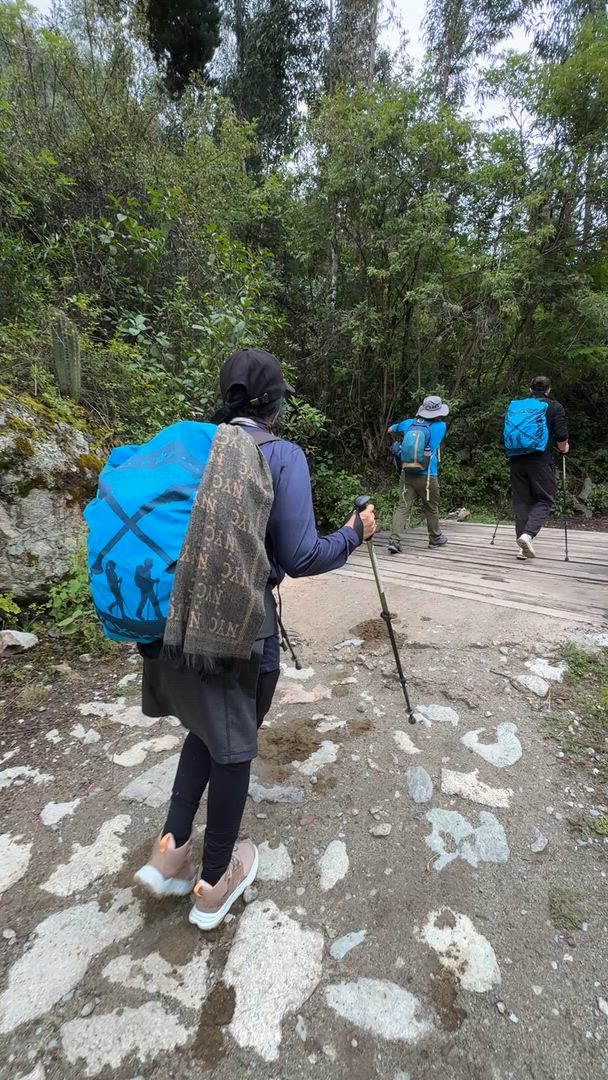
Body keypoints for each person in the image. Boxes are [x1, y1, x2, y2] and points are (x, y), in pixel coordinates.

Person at [134, 347, 375, 930]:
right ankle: (216, 881)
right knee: (233, 744)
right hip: (240, 631)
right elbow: (301, 555)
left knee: (205, 727)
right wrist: (353, 534)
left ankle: (170, 852)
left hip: (172, 621)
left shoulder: (196, 449)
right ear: (274, 405)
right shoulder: (280, 455)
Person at [506, 375, 569, 560]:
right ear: (548, 389)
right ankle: (527, 535)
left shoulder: (517, 407)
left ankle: (522, 547)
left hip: (517, 460)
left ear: (530, 389)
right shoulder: (554, 407)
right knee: (546, 499)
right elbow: (561, 437)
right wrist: (564, 448)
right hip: (540, 461)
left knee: (521, 502)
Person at [387, 394, 449, 553]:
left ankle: (394, 540)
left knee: (403, 507)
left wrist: (403, 442)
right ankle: (435, 538)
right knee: (431, 508)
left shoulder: (408, 423)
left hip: (407, 473)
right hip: (428, 476)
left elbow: (390, 429)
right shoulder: (441, 426)